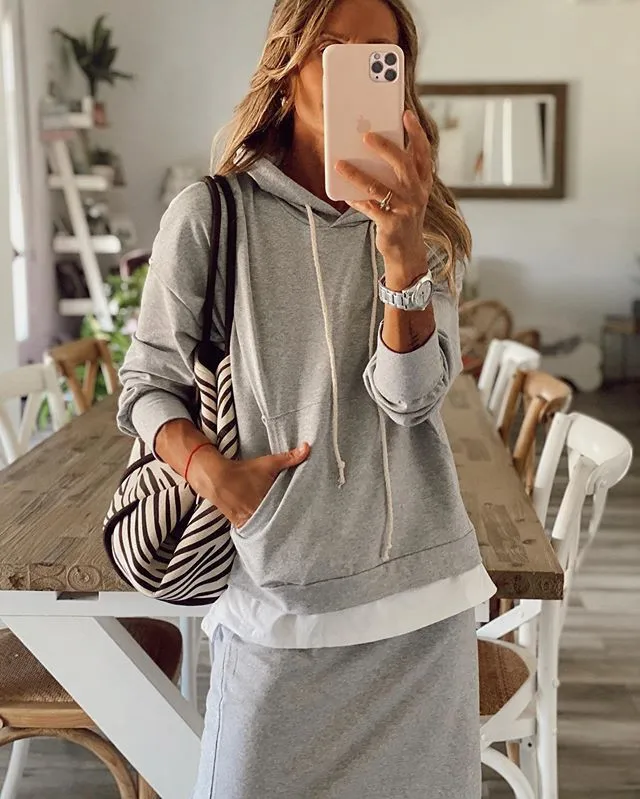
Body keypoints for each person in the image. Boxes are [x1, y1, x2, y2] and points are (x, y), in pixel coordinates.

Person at [117, 0, 497, 795]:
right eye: (333, 49)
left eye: (379, 56)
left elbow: (411, 402)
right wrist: (211, 474)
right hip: (279, 600)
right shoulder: (211, 215)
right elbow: (148, 382)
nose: (355, 69)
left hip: (422, 607)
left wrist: (400, 251)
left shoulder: (420, 226)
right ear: (288, 68)